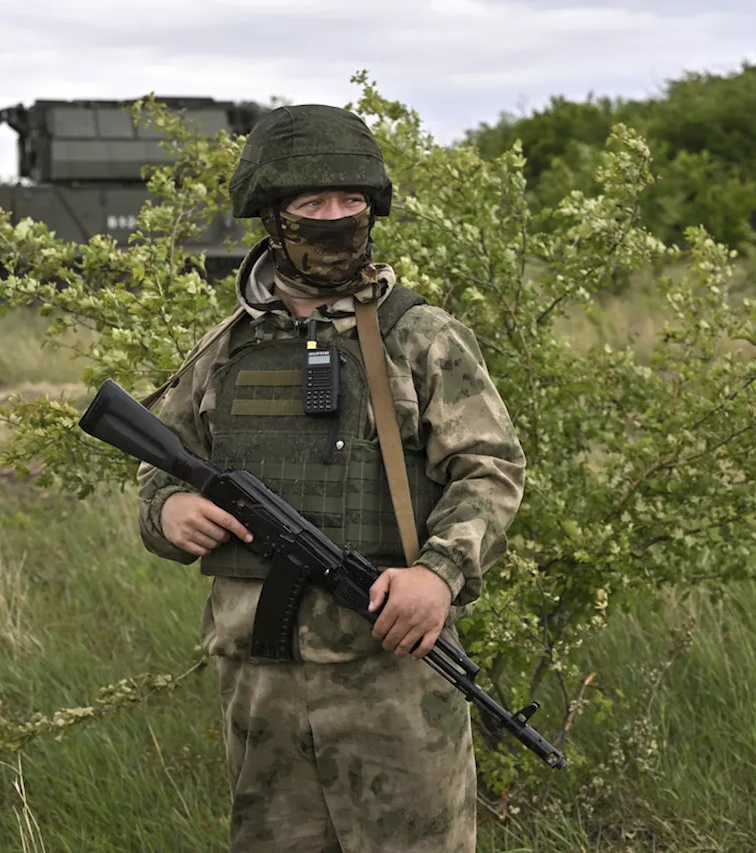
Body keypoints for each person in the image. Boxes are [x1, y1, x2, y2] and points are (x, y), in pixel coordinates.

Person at [135, 104, 526, 853]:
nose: (336, 217)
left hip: (393, 672)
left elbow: (490, 470)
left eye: (351, 201)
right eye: (313, 203)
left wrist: (439, 576)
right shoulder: (226, 348)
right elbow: (160, 467)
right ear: (272, 216)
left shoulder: (421, 337)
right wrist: (170, 510)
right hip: (261, 684)